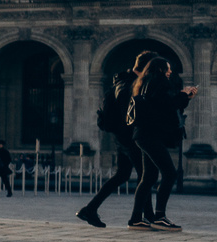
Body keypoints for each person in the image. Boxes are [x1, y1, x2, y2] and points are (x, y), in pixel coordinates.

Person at [126, 54, 191, 231]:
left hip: (143, 135)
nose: (170, 71)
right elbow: (168, 106)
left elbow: (161, 106)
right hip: (150, 135)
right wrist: (184, 95)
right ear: (161, 69)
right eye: (168, 68)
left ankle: (135, 219)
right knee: (170, 173)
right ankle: (159, 216)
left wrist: (182, 97)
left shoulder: (145, 83)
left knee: (149, 177)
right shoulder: (159, 83)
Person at [77, 73, 139, 228]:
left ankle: (90, 209)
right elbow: (130, 115)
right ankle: (139, 218)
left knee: (122, 175)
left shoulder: (118, 84)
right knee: (146, 176)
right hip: (131, 138)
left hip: (120, 138)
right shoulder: (130, 86)